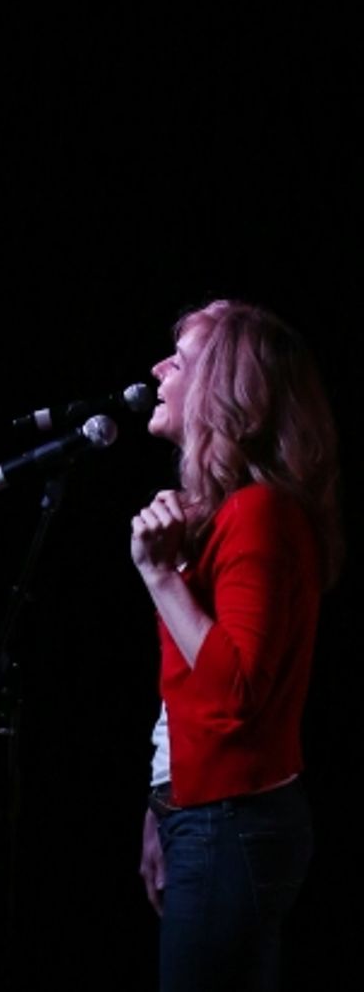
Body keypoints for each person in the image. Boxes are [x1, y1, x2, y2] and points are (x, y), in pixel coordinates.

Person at [131, 298, 346, 992]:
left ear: (224, 389)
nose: (158, 370)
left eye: (181, 360)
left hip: (230, 822)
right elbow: (190, 693)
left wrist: (160, 575)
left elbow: (239, 689)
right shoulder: (234, 512)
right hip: (206, 814)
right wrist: (161, 805)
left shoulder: (259, 514)